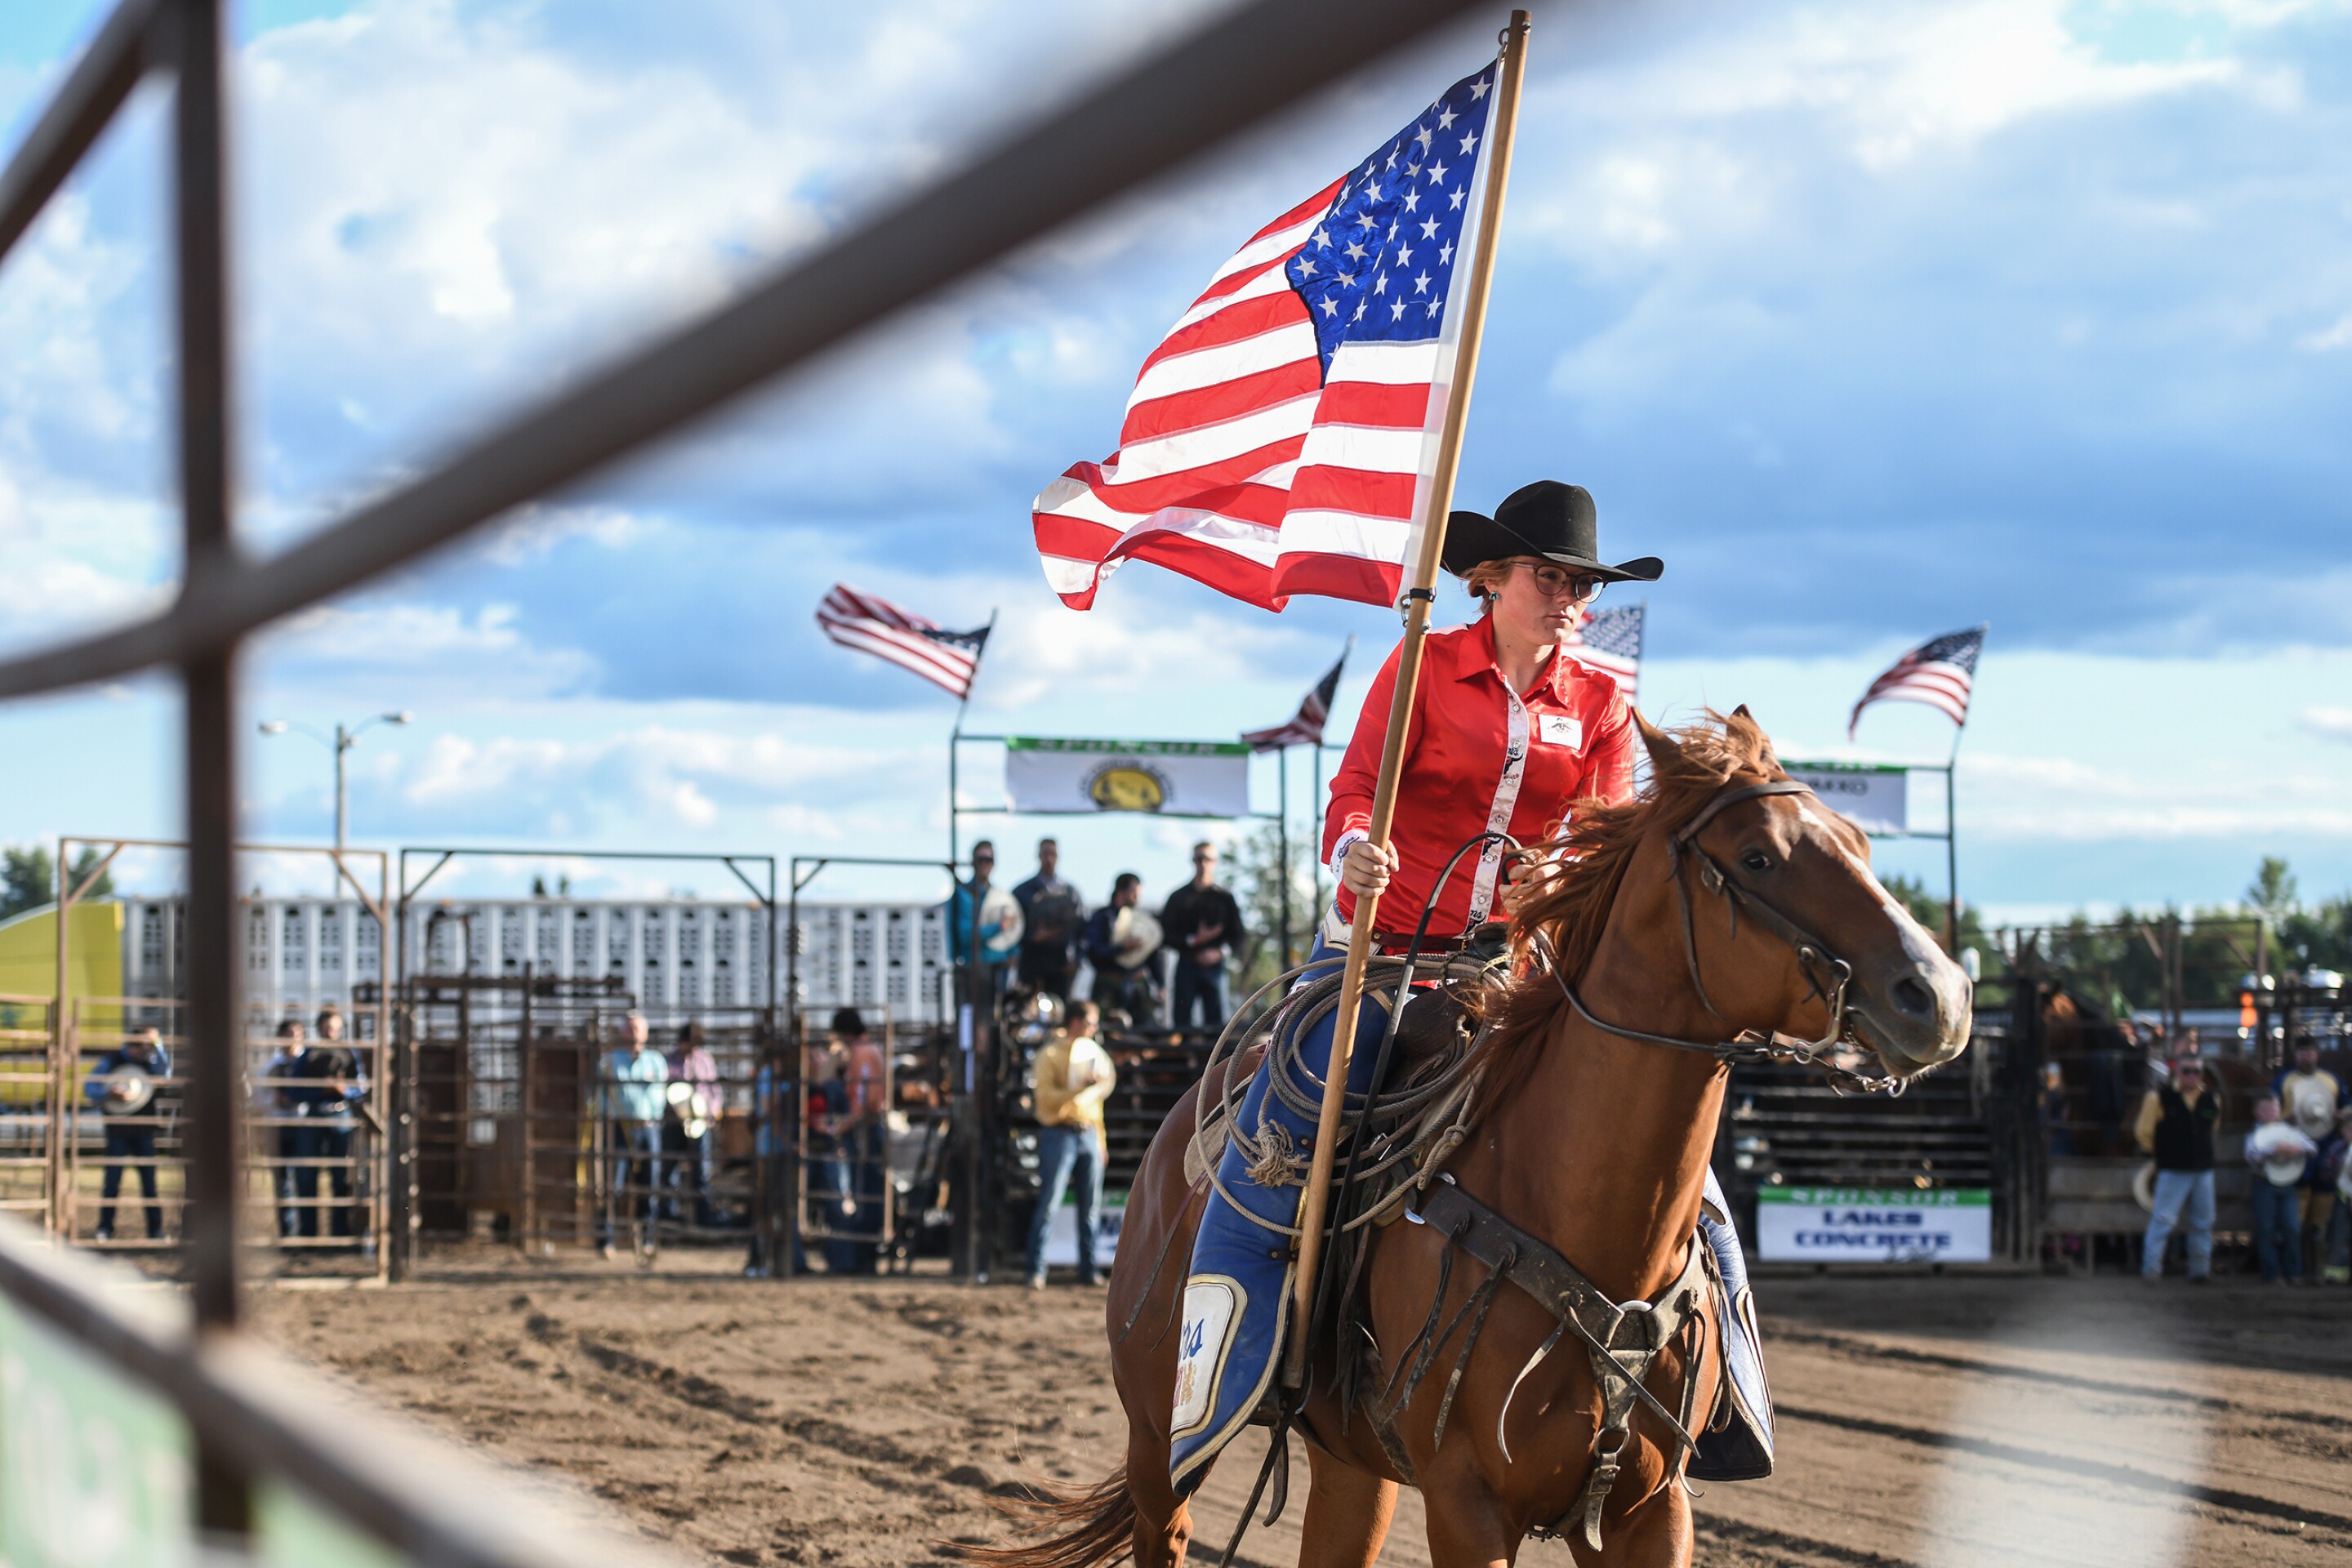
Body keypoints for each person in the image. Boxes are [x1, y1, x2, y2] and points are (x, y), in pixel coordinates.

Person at [1174, 479, 1677, 1493]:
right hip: (1385, 952)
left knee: (1672, 1157)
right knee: (1309, 1115)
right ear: (1490, 580)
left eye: (1582, 582)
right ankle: (1235, 1344)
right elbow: (1355, 787)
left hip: (1515, 975)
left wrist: (1575, 881)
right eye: (1551, 575)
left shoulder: (1603, 705)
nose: (1571, 596)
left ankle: (1720, 1371)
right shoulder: (1422, 665)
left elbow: (1609, 836)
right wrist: (1358, 846)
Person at [1025, 1000, 1116, 1289]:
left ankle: (1087, 1270)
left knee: (1090, 1206)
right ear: (1076, 1022)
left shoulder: (1089, 1054)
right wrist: (1079, 1089)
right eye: (1090, 1021)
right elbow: (1045, 1099)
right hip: (1059, 1132)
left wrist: (1100, 1141)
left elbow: (1096, 1104)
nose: (1094, 1028)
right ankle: (1036, 1269)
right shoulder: (1049, 1055)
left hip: (1086, 1131)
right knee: (1050, 1202)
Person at [2136, 1056, 2220, 1281]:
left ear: (2202, 1074)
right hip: (2174, 1170)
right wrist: (2163, 1154)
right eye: (2187, 1071)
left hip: (2201, 1169)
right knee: (2164, 1220)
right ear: (2178, 1072)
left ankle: (2200, 1270)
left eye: (2196, 1072)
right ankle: (2152, 1270)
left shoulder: (2210, 1099)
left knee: (2203, 1221)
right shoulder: (2158, 1097)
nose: (2192, 1076)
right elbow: (2144, 1133)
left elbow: (2212, 1128)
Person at [290, 1005, 366, 1241]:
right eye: (326, 1027)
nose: (330, 1032)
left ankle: (339, 1234)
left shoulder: (349, 1053)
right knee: (306, 1175)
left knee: (340, 1176)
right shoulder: (309, 1053)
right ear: (320, 1028)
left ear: (340, 1029)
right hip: (314, 1115)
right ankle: (308, 1235)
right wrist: (320, 1091)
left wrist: (344, 1090)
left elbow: (361, 1087)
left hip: (340, 1115)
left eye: (334, 1028)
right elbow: (294, 1088)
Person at [86, 1027, 169, 1242]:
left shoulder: (151, 1063)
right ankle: (105, 1227)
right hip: (118, 1129)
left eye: (149, 1046)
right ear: (131, 1045)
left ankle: (155, 1229)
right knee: (112, 1181)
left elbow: (165, 1075)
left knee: (149, 1183)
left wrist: (158, 1045)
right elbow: (89, 1088)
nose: (146, 1050)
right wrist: (107, 1093)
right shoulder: (111, 1062)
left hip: (144, 1129)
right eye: (143, 1045)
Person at [598, 1013, 670, 1258]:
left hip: (649, 1127)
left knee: (650, 1184)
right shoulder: (610, 1061)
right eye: (630, 1029)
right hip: (619, 1127)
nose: (634, 1034)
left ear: (646, 1034)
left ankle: (646, 1239)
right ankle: (607, 1240)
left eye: (638, 1029)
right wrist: (605, 1115)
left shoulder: (655, 1061)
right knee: (613, 1185)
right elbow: (600, 1094)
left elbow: (661, 1094)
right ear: (622, 1033)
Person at [2274, 1043, 2346, 1274]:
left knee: (2322, 1212)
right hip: (2294, 1149)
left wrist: (2340, 1115)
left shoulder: (2331, 1081)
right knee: (2295, 1213)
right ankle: (2295, 1265)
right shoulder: (2284, 1082)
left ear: (2318, 1053)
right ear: (2296, 1054)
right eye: (2303, 1051)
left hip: (2325, 1149)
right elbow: (2270, 1110)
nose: (2307, 1056)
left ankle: (2318, 1266)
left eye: (2311, 1051)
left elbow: (2347, 1107)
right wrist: (2287, 1121)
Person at [1161, 841, 1245, 1032]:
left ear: (1215, 862)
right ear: (1193, 861)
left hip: (1215, 967)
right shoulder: (1179, 897)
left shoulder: (1224, 898)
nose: (1203, 864)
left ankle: (1213, 1062)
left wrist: (1219, 953)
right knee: (1182, 1023)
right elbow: (1165, 934)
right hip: (1187, 964)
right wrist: (1193, 941)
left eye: (1208, 859)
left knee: (1216, 1025)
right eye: (1199, 859)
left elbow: (1238, 936)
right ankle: (1181, 1060)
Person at [835, 1009, 889, 1276]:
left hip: (865, 1129)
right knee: (868, 1191)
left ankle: (863, 1258)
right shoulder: (869, 1051)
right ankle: (865, 1256)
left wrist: (844, 1124)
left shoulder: (863, 1053)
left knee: (865, 1192)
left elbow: (865, 1100)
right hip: (867, 1126)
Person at [2245, 1092, 2318, 1284]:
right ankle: (2271, 1275)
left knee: (2292, 1228)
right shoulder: (2254, 1135)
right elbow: (2252, 1156)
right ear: (2256, 1112)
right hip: (2264, 1184)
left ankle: (2293, 1273)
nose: (2271, 1112)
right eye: (2266, 1109)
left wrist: (2298, 1149)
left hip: (2287, 1185)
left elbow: (2312, 1148)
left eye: (2274, 1108)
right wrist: (2272, 1150)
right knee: (2266, 1230)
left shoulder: (2289, 1131)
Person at [1013, 838, 1086, 1003]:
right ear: (1038, 856)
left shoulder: (1070, 892)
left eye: (1052, 854)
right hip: (1031, 961)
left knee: (1058, 1009)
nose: (1049, 859)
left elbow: (1081, 929)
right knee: (1027, 1007)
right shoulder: (1023, 892)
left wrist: (1077, 961)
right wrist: (1032, 937)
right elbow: (1012, 929)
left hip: (1060, 962)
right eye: (1045, 854)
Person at [664, 1022, 722, 1227]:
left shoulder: (705, 1061)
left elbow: (715, 1092)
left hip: (700, 1122)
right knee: (669, 1168)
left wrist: (712, 1112)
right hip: (674, 1122)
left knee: (702, 1171)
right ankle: (670, 1216)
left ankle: (703, 1217)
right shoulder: (669, 1061)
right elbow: (663, 1091)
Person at [1083, 873, 1160, 1027]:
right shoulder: (1102, 918)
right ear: (1120, 892)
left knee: (1145, 1028)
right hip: (1108, 983)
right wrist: (1122, 948)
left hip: (1137, 985)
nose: (1137, 899)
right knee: (1105, 1028)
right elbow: (1094, 950)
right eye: (1133, 894)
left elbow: (1152, 952)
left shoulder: (1141, 919)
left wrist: (1161, 983)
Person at [263, 1018, 315, 1239]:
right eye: (287, 1033)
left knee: (306, 1178)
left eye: (296, 1033)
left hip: (305, 1125)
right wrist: (273, 1101)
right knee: (283, 1181)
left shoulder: (310, 1062)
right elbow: (259, 1097)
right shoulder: (271, 1066)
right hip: (279, 1125)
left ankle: (308, 1232)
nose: (292, 1037)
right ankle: (288, 1232)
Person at [947, 841, 1024, 990]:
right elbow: (965, 935)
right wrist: (1000, 926)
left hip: (998, 973)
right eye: (980, 859)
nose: (984, 864)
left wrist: (1013, 952)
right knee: (968, 1013)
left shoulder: (1000, 896)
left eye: (988, 860)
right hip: (970, 972)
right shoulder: (963, 894)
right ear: (973, 862)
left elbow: (1011, 936)